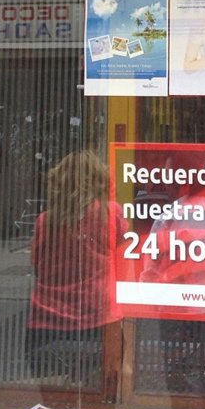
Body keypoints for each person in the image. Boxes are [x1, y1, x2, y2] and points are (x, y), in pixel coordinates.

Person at [26, 150, 120, 382]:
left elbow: (36, 264)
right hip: (98, 319)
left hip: (46, 322)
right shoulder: (110, 213)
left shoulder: (44, 220)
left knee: (52, 392)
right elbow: (124, 257)